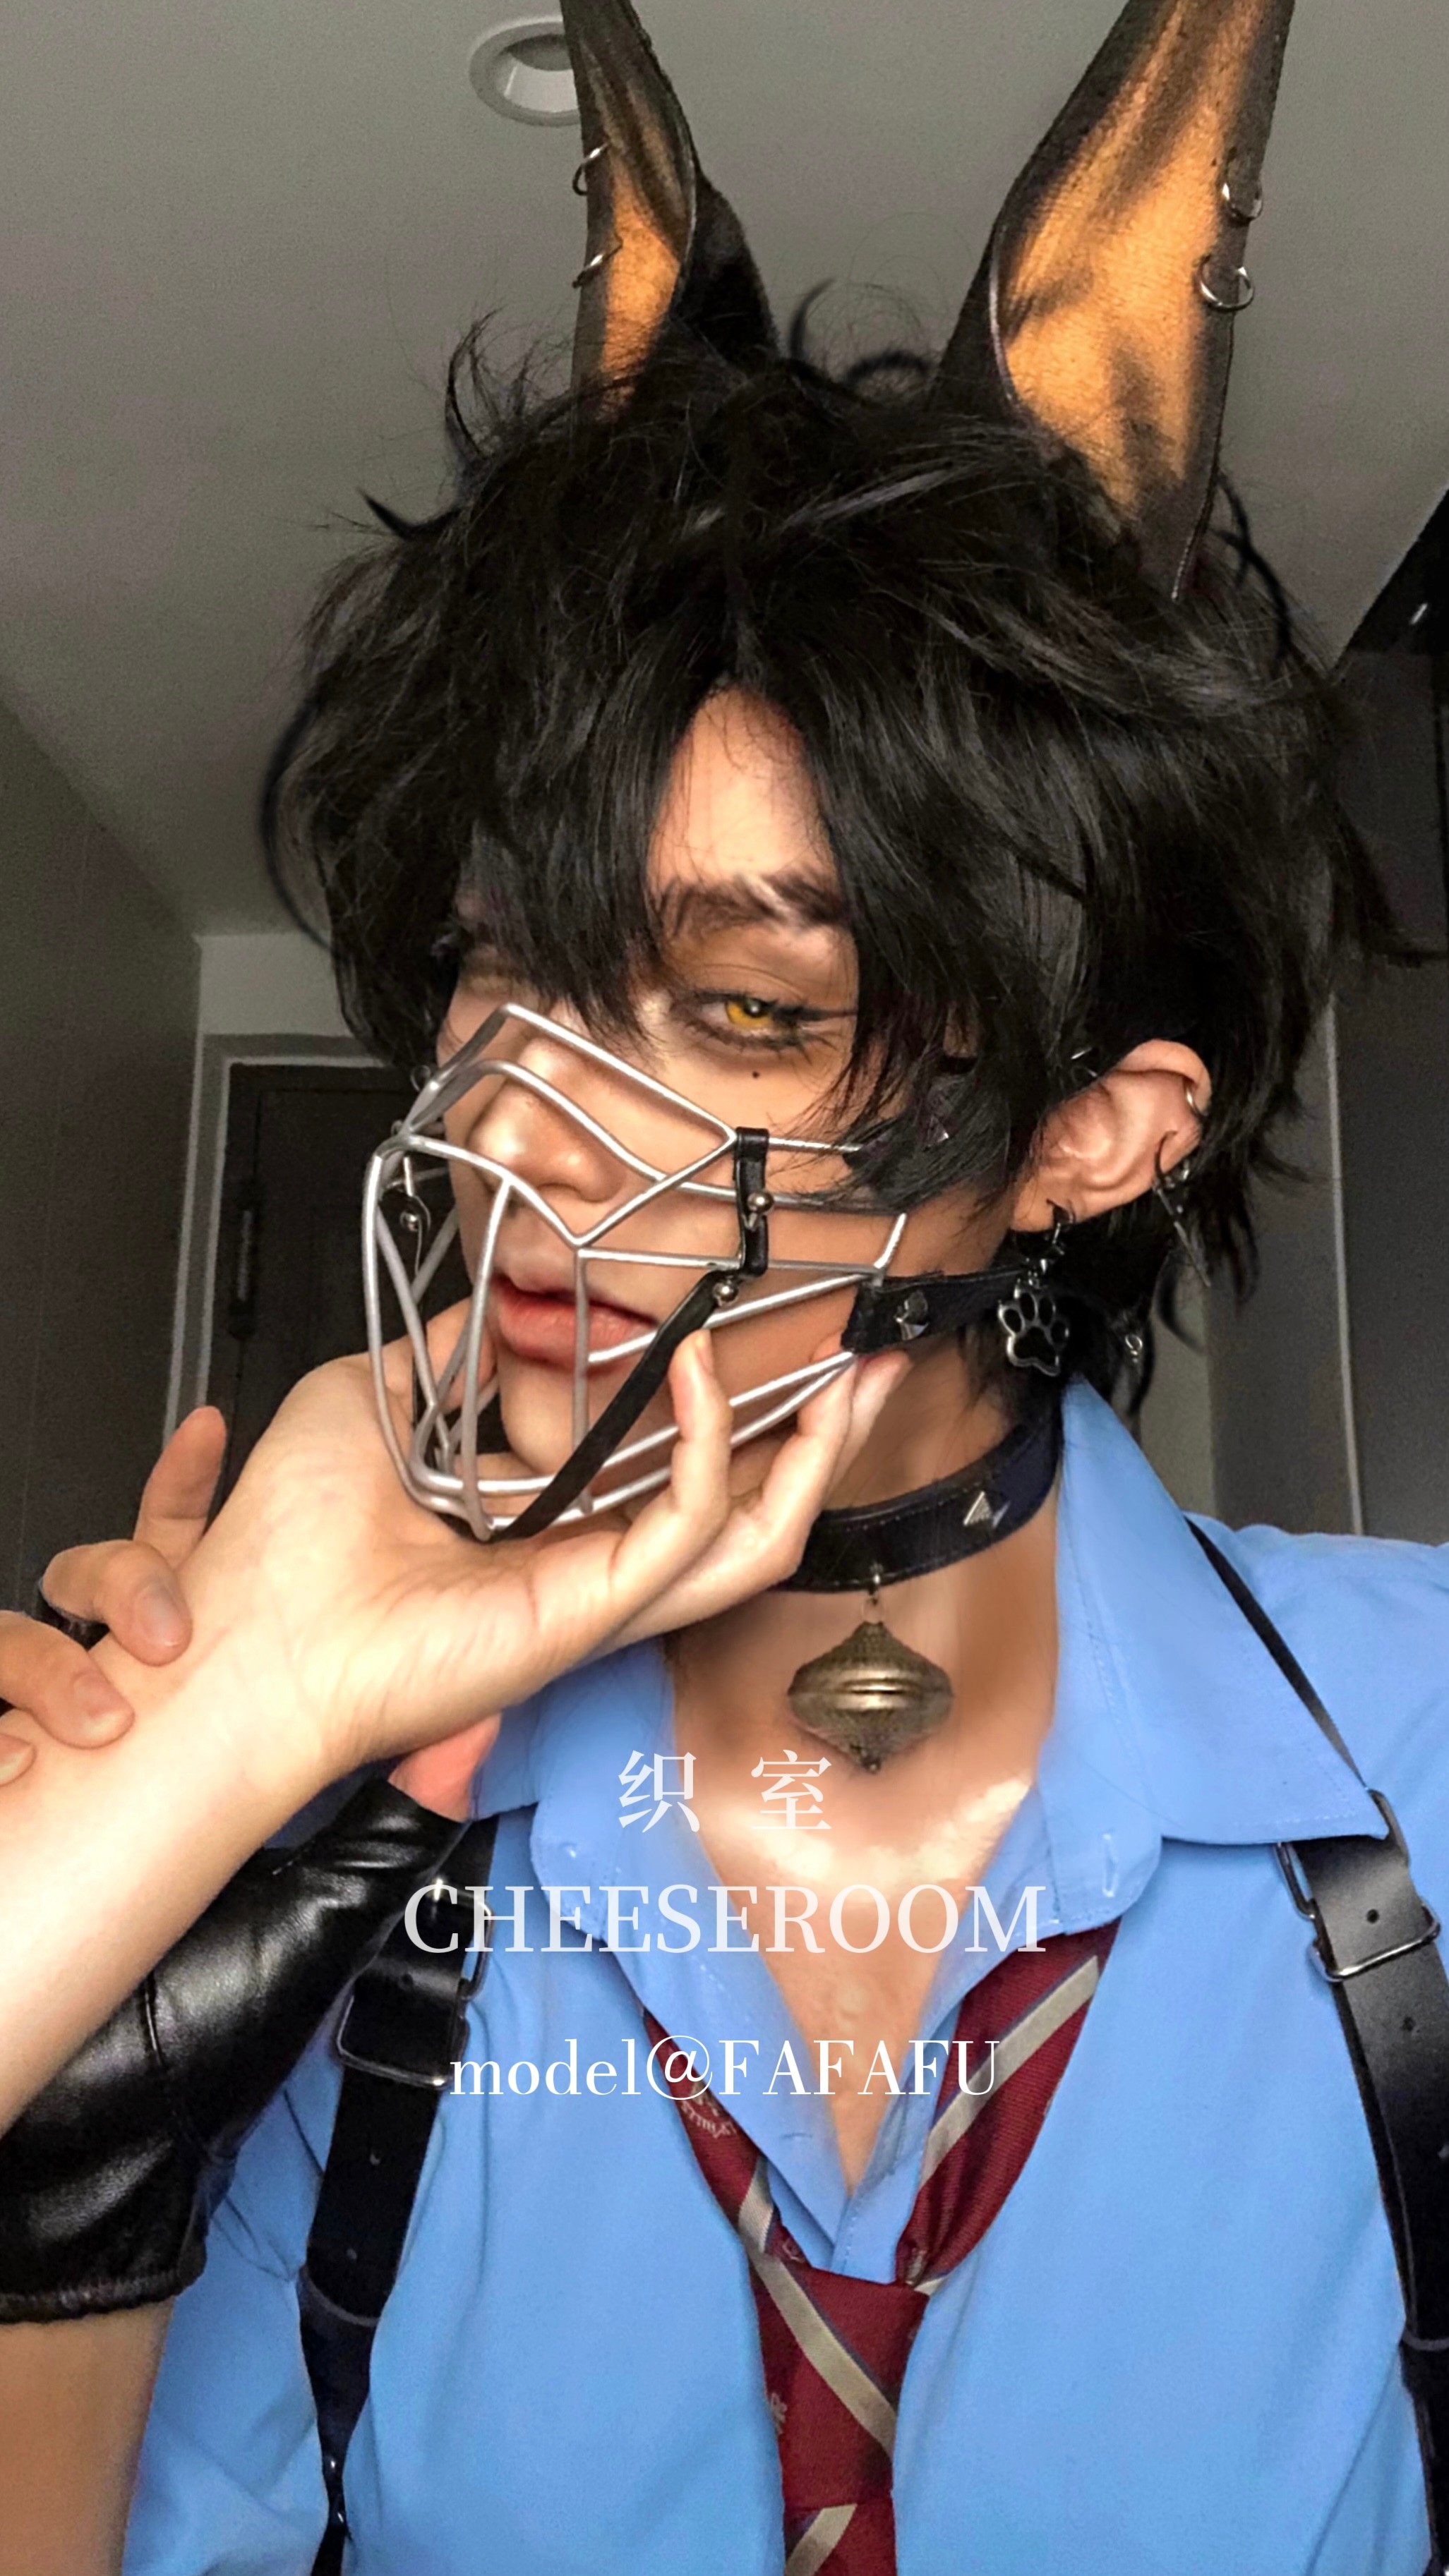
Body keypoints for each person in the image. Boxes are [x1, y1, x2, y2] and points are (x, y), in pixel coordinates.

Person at [3, 0, 1444, 2570]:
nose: (517, 1131)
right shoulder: (351, 1870)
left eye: (751, 1008)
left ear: (1096, 1133)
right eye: (500, 970)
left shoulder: (1426, 1760)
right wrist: (80, 2073)